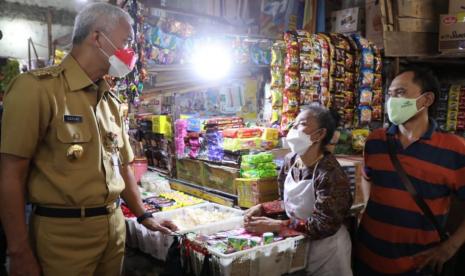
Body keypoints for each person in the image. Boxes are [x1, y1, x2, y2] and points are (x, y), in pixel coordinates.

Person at [0, 3, 177, 276]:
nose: (131, 51)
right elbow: (10, 174)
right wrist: (18, 250)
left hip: (113, 229)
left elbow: (124, 166)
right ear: (97, 37)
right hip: (62, 235)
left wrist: (144, 216)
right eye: (126, 41)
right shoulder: (37, 90)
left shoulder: (110, 99)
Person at [355, 67, 465, 275]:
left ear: (426, 100)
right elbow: (367, 177)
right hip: (368, 256)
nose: (392, 101)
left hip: (417, 265)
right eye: (390, 94)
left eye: (400, 93)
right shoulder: (375, 141)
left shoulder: (455, 150)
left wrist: (450, 247)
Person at [244, 105, 353, 276]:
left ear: (319, 134)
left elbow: (322, 225)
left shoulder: (330, 173)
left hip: (327, 250)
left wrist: (279, 226)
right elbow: (288, 202)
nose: (293, 129)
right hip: (298, 244)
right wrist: (263, 208)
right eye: (293, 124)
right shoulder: (290, 161)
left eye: (301, 124)